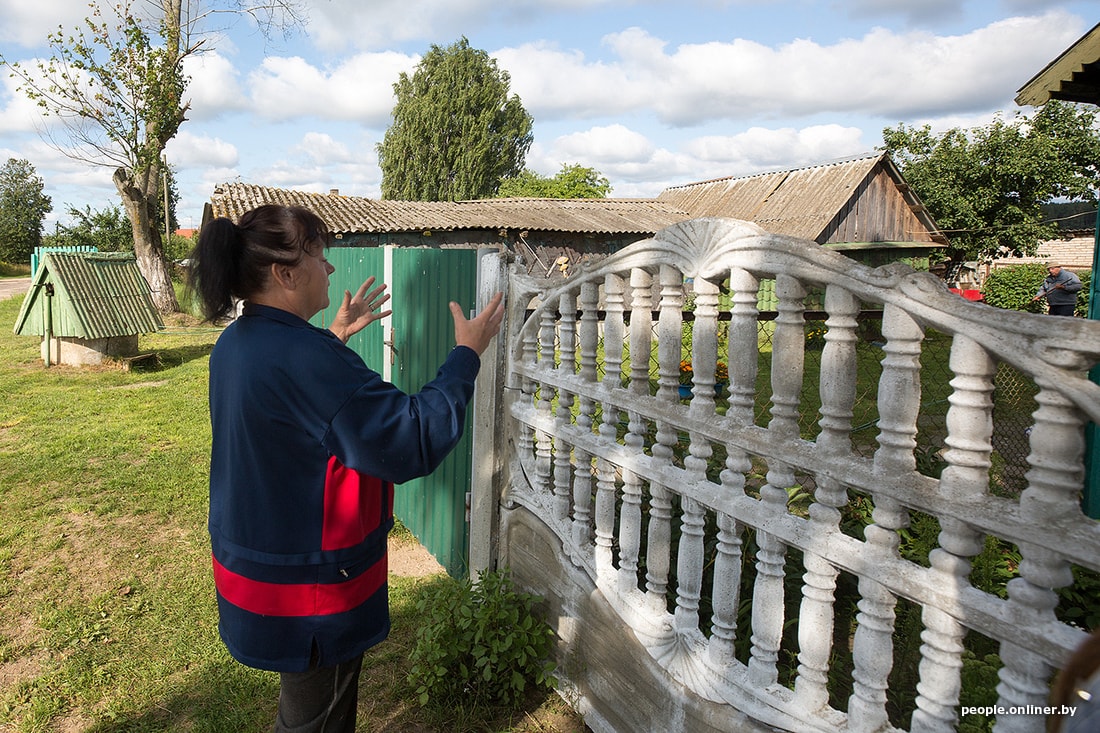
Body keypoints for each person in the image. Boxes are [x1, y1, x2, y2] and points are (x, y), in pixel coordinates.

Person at [188, 204, 504, 732]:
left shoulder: (236, 344)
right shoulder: (306, 359)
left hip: (261, 568)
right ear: (284, 274)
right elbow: (411, 438)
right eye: (318, 254)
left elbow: (289, 412)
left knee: (306, 710)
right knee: (317, 720)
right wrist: (466, 354)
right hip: (310, 590)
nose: (330, 268)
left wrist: (330, 339)